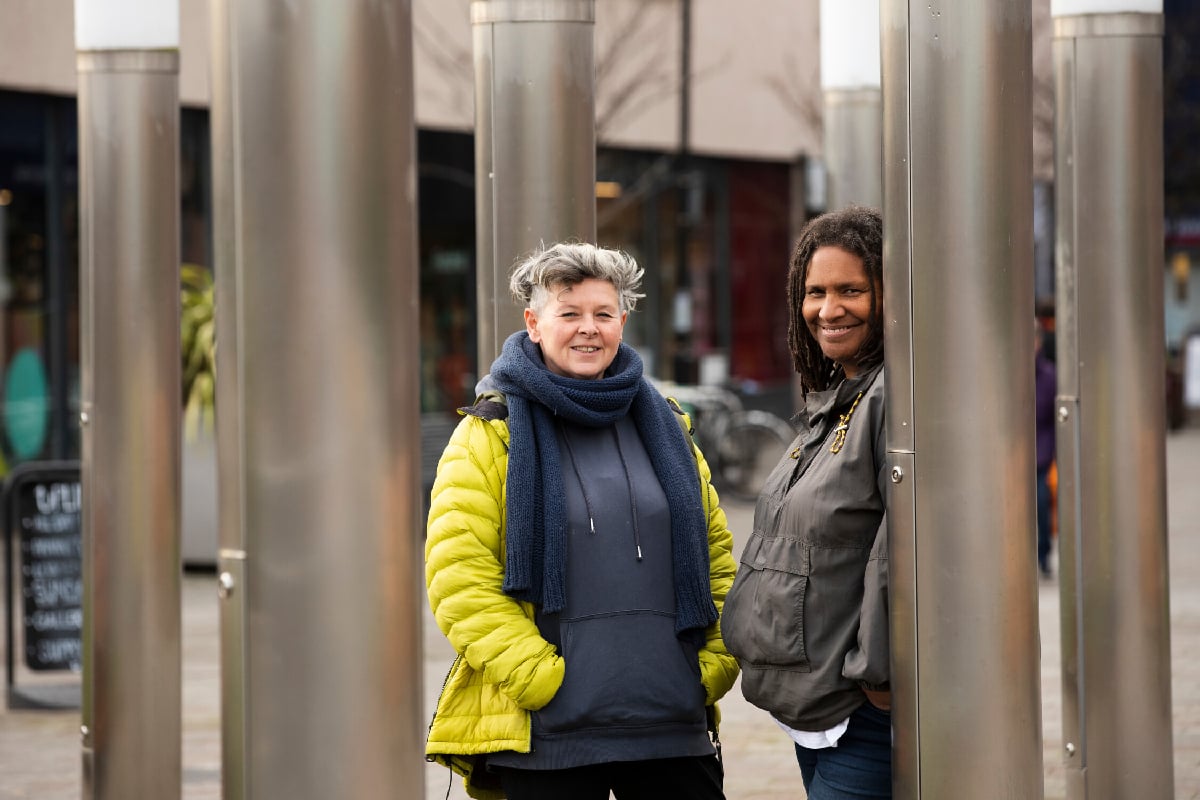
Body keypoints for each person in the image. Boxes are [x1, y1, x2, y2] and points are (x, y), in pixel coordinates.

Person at [425, 242, 740, 800]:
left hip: (671, 725)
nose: (588, 328)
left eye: (603, 313)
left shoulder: (667, 426)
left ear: (622, 322)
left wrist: (712, 664)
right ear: (534, 324)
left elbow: (716, 556)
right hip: (551, 737)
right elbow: (459, 577)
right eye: (569, 313)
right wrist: (537, 679)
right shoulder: (490, 432)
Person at [721, 206, 891, 799]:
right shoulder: (840, 396)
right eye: (815, 292)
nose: (828, 309)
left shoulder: (892, 398)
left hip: (862, 714)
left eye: (851, 290)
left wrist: (876, 677)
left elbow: (902, 547)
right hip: (816, 712)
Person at [1034, 321, 1057, 577]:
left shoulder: (1050, 375)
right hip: (1016, 457)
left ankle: (1044, 553)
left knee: (1041, 502)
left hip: (1041, 452)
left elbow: (1053, 419)